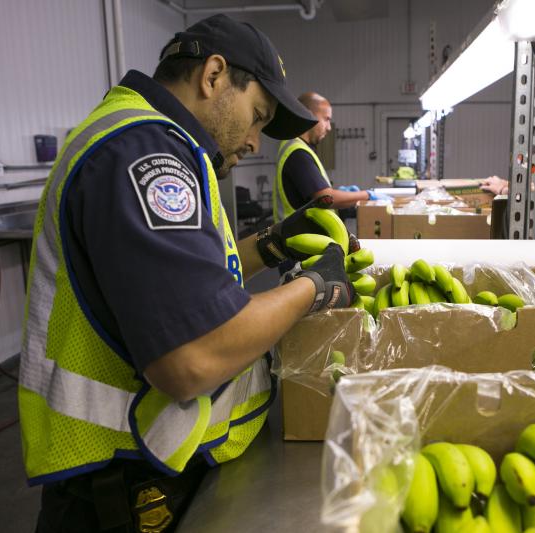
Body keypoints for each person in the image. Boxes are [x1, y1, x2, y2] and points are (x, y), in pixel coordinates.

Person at [20, 15, 354, 533]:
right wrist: (314, 285)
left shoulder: (148, 140)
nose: (255, 143)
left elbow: (191, 283)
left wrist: (270, 245)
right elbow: (193, 355)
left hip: (137, 477)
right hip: (126, 492)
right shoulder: (145, 151)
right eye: (257, 117)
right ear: (214, 75)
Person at [273, 91, 391, 223]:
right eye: (326, 119)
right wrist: (366, 195)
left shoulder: (299, 147)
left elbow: (314, 197)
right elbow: (325, 198)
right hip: (300, 239)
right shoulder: (297, 152)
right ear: (307, 114)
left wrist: (341, 193)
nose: (329, 128)